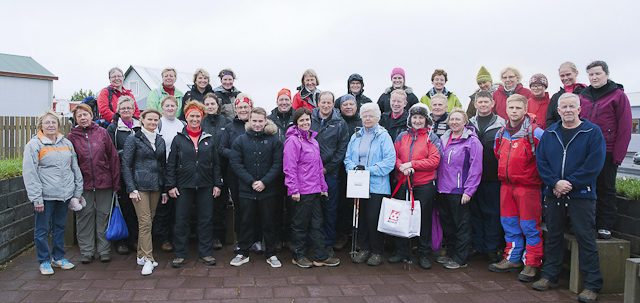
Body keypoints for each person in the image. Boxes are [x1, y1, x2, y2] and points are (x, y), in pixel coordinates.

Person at [534, 93, 606, 303]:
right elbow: (542, 161)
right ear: (558, 110)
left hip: (582, 195)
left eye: (571, 106)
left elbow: (594, 164)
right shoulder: (550, 133)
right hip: (553, 192)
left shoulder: (592, 132)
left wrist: (570, 184)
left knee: (585, 238)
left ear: (579, 109)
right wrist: (555, 182)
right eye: (563, 107)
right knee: (554, 235)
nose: (567, 110)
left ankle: (592, 285)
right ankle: (550, 276)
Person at [490, 94, 544, 282]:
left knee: (529, 226)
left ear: (525, 109)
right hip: (506, 186)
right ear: (506, 109)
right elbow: (498, 154)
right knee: (509, 224)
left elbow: (544, 158)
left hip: (528, 187)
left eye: (518, 108)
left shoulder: (535, 132)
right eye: (511, 108)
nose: (514, 111)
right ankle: (512, 258)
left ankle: (532, 262)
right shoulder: (501, 132)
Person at [23, 111, 83, 275]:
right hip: (45, 196)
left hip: (64, 195)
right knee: (42, 229)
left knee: (59, 227)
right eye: (47, 123)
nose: (51, 125)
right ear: (40, 126)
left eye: (54, 122)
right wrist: (37, 198)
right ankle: (44, 261)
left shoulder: (66, 143)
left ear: (58, 125)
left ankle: (58, 257)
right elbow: (30, 173)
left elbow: (75, 168)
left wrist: (77, 192)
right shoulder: (34, 145)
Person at [578, 60, 632, 240]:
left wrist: (617, 157)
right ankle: (583, 222)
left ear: (606, 74)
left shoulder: (617, 96)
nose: (594, 77)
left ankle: (605, 225)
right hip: (584, 150)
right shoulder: (583, 96)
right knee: (582, 186)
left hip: (607, 150)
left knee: (605, 188)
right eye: (591, 74)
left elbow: (625, 128)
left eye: (597, 74)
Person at [166, 101, 223, 268]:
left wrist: (217, 184)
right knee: (181, 220)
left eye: (198, 116)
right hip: (184, 185)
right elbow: (171, 164)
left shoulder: (208, 139)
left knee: (205, 220)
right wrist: (171, 185)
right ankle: (180, 255)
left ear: (202, 117)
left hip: (205, 185)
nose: (195, 119)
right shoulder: (179, 139)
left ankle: (205, 253)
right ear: (186, 117)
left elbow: (216, 164)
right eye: (192, 115)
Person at [284, 108, 340, 268]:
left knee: (317, 223)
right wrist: (293, 189)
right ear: (296, 123)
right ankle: (298, 255)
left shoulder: (313, 141)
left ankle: (321, 256)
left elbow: (319, 166)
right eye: (301, 120)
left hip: (315, 190)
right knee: (300, 225)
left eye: (307, 120)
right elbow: (289, 168)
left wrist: (323, 187)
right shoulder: (292, 141)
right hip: (301, 192)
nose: (305, 123)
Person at [229, 107, 284, 268]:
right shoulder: (240, 140)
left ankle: (271, 253)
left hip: (268, 190)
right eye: (255, 121)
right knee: (246, 221)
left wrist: (264, 182)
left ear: (265, 121)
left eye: (261, 121)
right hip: (247, 190)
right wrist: (251, 181)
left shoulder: (274, 140)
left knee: (269, 222)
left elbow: (278, 164)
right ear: (249, 121)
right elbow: (236, 163)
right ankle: (243, 252)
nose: (258, 124)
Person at [67, 104, 121, 264]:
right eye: (79, 116)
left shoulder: (102, 133)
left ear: (91, 116)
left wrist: (116, 182)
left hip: (105, 183)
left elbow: (113, 158)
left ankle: (104, 250)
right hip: (83, 186)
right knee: (84, 217)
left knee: (104, 216)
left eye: (86, 114)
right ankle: (87, 251)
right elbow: (69, 163)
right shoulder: (72, 137)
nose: (83, 118)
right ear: (75, 119)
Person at [390, 103, 441, 269]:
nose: (417, 121)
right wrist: (401, 167)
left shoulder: (431, 138)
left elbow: (434, 161)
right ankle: (401, 251)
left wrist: (413, 164)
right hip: (403, 182)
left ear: (426, 120)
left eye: (421, 118)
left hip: (423, 184)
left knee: (423, 219)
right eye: (415, 117)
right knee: (401, 218)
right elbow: (395, 156)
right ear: (410, 119)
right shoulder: (401, 136)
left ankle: (423, 253)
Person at [345, 103, 396, 266]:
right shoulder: (356, 136)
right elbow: (347, 158)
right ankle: (364, 248)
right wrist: (353, 169)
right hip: (359, 184)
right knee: (362, 219)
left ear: (377, 118)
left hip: (377, 185)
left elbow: (389, 162)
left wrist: (367, 170)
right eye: (365, 115)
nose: (367, 118)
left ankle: (377, 251)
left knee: (374, 218)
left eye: (371, 116)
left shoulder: (384, 136)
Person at [120, 108, 167, 275]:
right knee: (145, 222)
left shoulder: (160, 140)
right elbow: (125, 165)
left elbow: (162, 165)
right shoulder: (134, 139)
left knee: (149, 220)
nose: (153, 123)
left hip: (156, 186)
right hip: (139, 187)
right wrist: (131, 188)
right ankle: (149, 259)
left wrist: (164, 190)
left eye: (156, 120)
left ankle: (140, 254)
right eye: (150, 120)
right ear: (142, 120)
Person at [435, 108, 482, 269]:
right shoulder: (443, 138)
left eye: (458, 119)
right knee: (447, 224)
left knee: (461, 225)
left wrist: (469, 191)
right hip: (442, 189)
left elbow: (476, 168)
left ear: (465, 122)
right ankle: (450, 252)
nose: (454, 122)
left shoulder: (472, 142)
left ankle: (460, 258)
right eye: (452, 119)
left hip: (459, 190)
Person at [220, 94, 262, 253]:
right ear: (236, 108)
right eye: (240, 107)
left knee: (257, 206)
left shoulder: (256, 124)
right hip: (235, 174)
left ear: (250, 108)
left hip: (256, 173)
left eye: (246, 107)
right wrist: (238, 155)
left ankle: (257, 239)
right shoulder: (230, 127)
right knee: (240, 207)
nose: (243, 110)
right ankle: (242, 239)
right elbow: (222, 148)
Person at [468, 91, 506, 264]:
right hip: (472, 178)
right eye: (480, 102)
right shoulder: (469, 124)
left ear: (492, 103)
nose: (483, 105)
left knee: (492, 213)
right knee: (475, 212)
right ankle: (478, 246)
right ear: (475, 104)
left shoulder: (501, 124)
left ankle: (491, 248)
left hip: (493, 176)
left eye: (486, 102)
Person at [310, 91, 349, 256]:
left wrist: (328, 168)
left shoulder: (340, 123)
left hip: (329, 173)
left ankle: (328, 243)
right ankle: (311, 243)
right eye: (323, 102)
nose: (325, 105)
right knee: (310, 209)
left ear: (334, 104)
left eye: (329, 103)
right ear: (318, 102)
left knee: (329, 209)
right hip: (309, 174)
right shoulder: (308, 119)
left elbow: (342, 149)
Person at [106, 96, 141, 255]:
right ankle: (120, 241)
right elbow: (110, 151)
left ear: (134, 109)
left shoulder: (141, 126)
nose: (126, 111)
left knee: (136, 208)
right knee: (122, 207)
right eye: (123, 108)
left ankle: (134, 239)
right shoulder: (113, 129)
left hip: (139, 174)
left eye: (129, 108)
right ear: (118, 111)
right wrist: (127, 154)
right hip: (121, 173)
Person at [153, 95, 186, 253]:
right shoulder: (159, 124)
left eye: (173, 106)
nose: (170, 108)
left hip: (180, 170)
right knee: (163, 205)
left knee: (177, 205)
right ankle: (163, 238)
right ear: (162, 108)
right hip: (163, 168)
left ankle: (175, 236)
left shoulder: (182, 124)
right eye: (167, 106)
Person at [201, 93, 232, 249]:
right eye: (207, 104)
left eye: (212, 104)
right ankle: (207, 235)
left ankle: (218, 236)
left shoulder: (226, 122)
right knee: (206, 203)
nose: (210, 106)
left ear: (218, 105)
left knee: (220, 202)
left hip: (224, 167)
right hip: (205, 169)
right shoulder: (200, 122)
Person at [267, 88, 295, 250]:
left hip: (293, 170)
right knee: (275, 206)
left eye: (287, 100)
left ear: (291, 102)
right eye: (281, 100)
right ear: (277, 101)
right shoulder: (270, 119)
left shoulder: (297, 117)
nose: (284, 103)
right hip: (276, 169)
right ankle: (276, 238)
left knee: (292, 205)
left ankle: (290, 238)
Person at [546, 62, 587, 127]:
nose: (565, 78)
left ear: (576, 73)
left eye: (568, 75)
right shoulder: (556, 97)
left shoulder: (586, 94)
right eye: (562, 76)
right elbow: (550, 120)